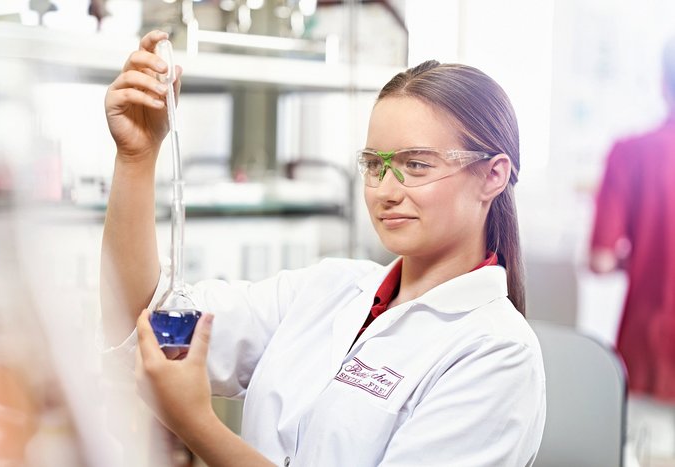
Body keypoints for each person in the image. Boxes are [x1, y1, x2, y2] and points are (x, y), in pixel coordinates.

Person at [102, 30, 546, 466]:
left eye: (415, 164)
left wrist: (197, 424)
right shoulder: (328, 289)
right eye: (374, 164)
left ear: (493, 176)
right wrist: (137, 159)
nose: (385, 191)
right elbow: (144, 319)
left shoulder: (498, 353)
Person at [589, 36, 675, 402]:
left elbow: (601, 261)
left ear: (663, 81)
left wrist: (642, 257)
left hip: (648, 348)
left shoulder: (630, 153)